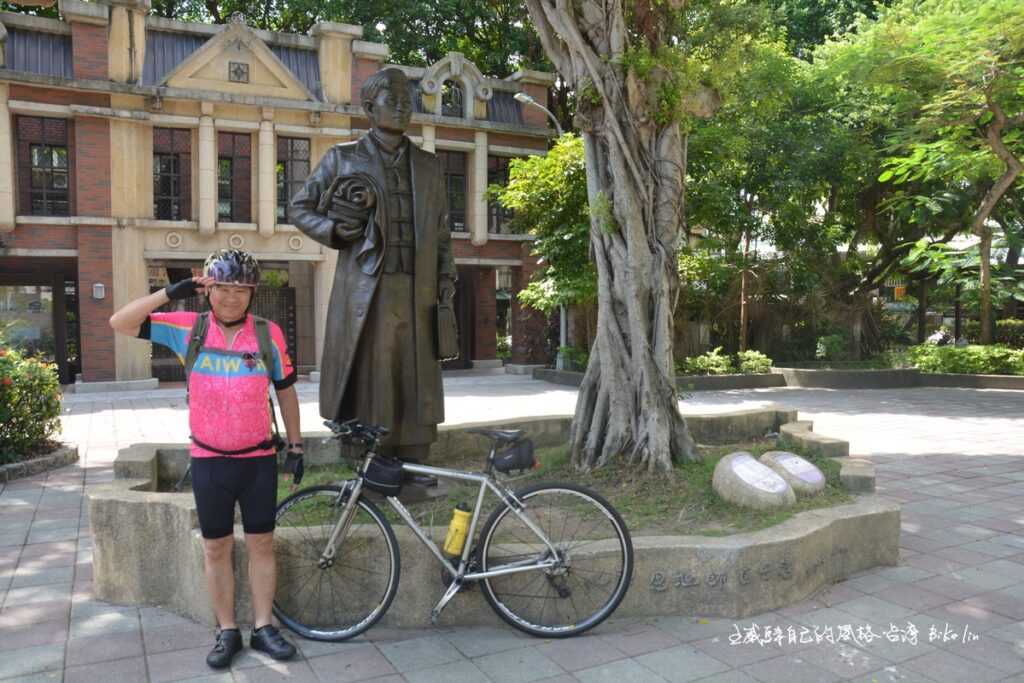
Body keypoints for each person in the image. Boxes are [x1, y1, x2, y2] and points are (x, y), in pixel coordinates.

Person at [109, 249, 302, 669]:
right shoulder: (187, 329)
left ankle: (265, 628)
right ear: (207, 289)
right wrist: (168, 292)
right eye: (223, 289)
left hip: (258, 461)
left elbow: (285, 391)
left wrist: (296, 445)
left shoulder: (268, 335)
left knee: (261, 543)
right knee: (215, 548)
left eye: (241, 290)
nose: (232, 298)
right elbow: (119, 322)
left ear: (252, 294)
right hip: (210, 460)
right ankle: (227, 630)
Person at [289, 67, 456, 483]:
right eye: (392, 100)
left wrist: (446, 277)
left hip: (418, 289)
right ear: (369, 107)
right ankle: (374, 465)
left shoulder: (429, 166)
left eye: (407, 101)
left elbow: (440, 231)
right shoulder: (342, 158)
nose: (402, 107)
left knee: (415, 376)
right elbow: (299, 207)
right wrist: (332, 230)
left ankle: (416, 461)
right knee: (376, 376)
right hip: (369, 288)